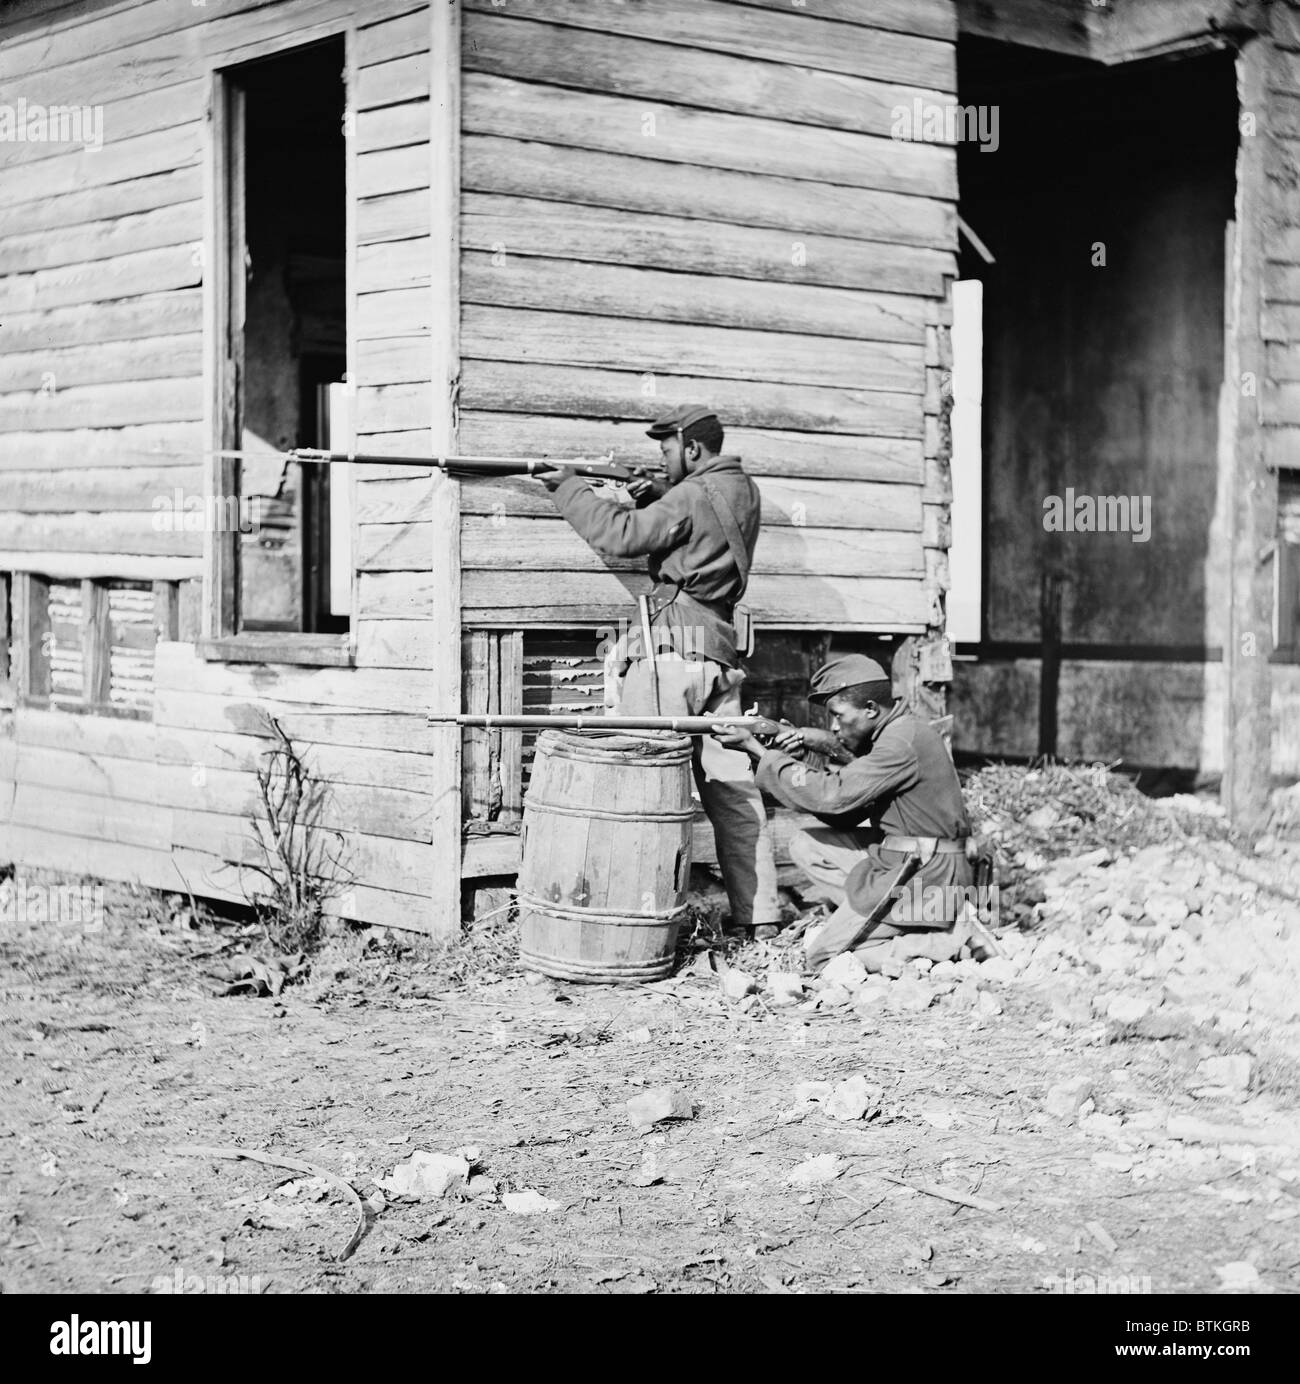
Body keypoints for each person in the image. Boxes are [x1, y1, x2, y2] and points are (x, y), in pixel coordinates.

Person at [538, 404, 782, 935]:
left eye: (668, 450)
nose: (664, 460)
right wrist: (660, 495)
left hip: (673, 657)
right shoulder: (742, 490)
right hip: (720, 656)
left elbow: (620, 536)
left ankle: (637, 921)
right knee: (734, 792)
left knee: (643, 789)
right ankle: (760, 919)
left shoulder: (690, 495)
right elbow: (700, 533)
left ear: (692, 449)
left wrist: (570, 487)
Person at [711, 653, 973, 966]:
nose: (833, 726)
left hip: (927, 875)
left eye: (838, 715)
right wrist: (802, 754)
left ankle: (948, 941)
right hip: (908, 862)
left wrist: (757, 750)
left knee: (822, 957)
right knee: (807, 844)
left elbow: (832, 797)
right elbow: (846, 812)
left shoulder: (900, 742)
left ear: (871, 709)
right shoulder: (898, 732)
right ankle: (889, 922)